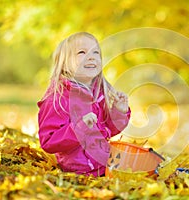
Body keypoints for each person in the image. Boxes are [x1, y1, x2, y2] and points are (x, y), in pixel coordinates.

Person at [37, 32, 131, 177]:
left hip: (105, 165)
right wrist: (79, 129)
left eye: (96, 52)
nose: (91, 56)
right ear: (65, 64)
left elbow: (107, 129)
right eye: (82, 52)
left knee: (148, 163)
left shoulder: (98, 94)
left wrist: (118, 112)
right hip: (80, 171)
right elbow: (48, 142)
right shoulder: (57, 98)